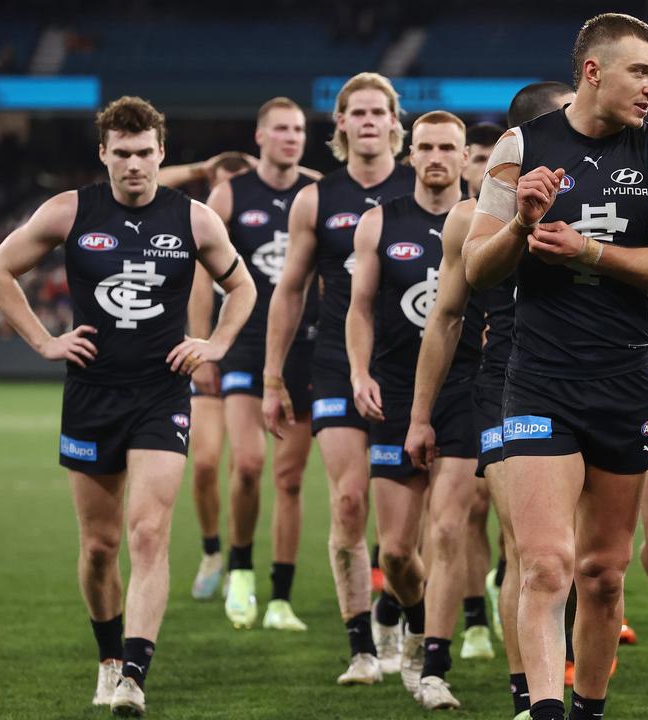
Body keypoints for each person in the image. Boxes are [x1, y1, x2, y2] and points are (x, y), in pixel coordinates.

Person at [0, 96, 255, 716]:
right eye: (122, 154)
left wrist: (215, 344)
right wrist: (46, 341)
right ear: (103, 154)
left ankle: (134, 673)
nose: (134, 165)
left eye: (145, 153)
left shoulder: (195, 219)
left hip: (161, 394)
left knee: (149, 532)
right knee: (100, 546)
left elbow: (243, 285)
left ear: (163, 154)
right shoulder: (69, 210)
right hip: (91, 395)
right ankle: (107, 657)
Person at [464, 14, 648, 720]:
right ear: (593, 71)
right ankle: (543, 709)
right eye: (641, 72)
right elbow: (478, 269)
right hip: (537, 379)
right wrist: (522, 224)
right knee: (544, 564)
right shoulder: (520, 145)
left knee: (601, 575)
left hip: (624, 381)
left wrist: (591, 252)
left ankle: (588, 709)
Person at [404, 81, 575, 719]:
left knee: (567, 558)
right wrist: (421, 416)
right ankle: (501, 687)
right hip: (503, 383)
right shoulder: (467, 221)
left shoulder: (608, 198)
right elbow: (446, 319)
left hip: (587, 385)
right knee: (500, 543)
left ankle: (556, 687)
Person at [263, 72, 415, 685]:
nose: (371, 120)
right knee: (350, 501)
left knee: (404, 526)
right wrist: (273, 378)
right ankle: (361, 647)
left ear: (395, 123)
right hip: (332, 366)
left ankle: (397, 608)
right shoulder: (316, 199)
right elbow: (289, 290)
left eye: (381, 111)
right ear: (343, 125)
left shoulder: (425, 186)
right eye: (360, 112)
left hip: (410, 368)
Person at [344, 110, 478, 710]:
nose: (435, 156)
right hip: (398, 391)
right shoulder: (379, 223)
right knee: (397, 551)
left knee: (449, 528)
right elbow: (360, 308)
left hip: (468, 390)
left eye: (447, 147)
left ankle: (434, 663)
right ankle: (416, 619)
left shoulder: (484, 220)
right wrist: (357, 371)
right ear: (410, 153)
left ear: (463, 154)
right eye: (425, 146)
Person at [192, 97, 318, 633]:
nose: (291, 137)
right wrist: (202, 344)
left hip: (306, 346)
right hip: (243, 343)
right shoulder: (230, 193)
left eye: (298, 129)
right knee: (246, 463)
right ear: (260, 136)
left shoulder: (318, 191)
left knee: (289, 481)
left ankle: (280, 597)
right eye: (281, 129)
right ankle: (239, 568)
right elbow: (201, 271)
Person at [177, 152, 254, 601]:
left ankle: (240, 561)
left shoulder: (273, 215)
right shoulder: (197, 223)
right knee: (204, 462)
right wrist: (197, 168)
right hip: (207, 350)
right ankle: (212, 551)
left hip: (254, 348)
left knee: (243, 466)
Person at [456, 119, 504, 658]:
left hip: (507, 375)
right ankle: (472, 619)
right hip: (459, 377)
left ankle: (506, 580)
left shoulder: (527, 214)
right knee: (468, 505)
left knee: (515, 512)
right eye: (479, 159)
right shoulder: (460, 224)